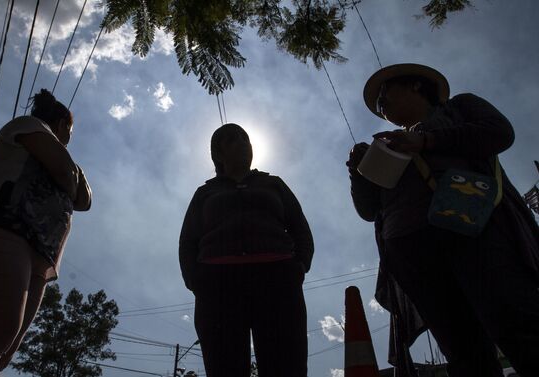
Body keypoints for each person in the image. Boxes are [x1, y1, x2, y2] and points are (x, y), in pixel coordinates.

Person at [347, 63, 539, 377]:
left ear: (416, 86)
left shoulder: (459, 108)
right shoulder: (388, 146)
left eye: (386, 93)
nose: (381, 105)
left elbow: (500, 132)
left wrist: (426, 142)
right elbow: (369, 210)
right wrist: (358, 173)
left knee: (517, 325)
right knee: (462, 349)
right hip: (411, 253)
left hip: (473, 233)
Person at [0, 89, 92, 377]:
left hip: (38, 255)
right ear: (60, 124)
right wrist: (70, 174)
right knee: (0, 327)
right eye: (69, 131)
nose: (69, 138)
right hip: (1, 229)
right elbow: (65, 173)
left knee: (4, 349)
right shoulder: (29, 126)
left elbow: (85, 200)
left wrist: (72, 175)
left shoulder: (52, 147)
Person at [179, 123, 314, 377]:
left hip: (278, 282)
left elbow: (300, 228)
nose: (242, 143)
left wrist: (298, 267)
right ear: (217, 154)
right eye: (232, 140)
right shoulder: (205, 192)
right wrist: (196, 280)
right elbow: (188, 241)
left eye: (245, 138)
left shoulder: (273, 183)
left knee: (286, 366)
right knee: (225, 367)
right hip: (218, 287)